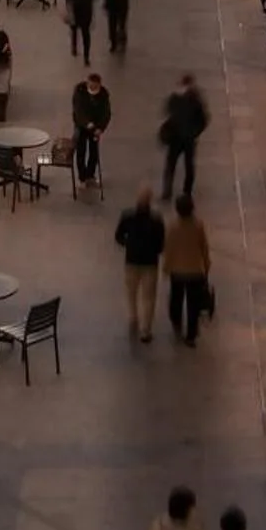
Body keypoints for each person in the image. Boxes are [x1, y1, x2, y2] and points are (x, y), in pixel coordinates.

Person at [114, 190, 167, 342]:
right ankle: (146, 329)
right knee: (149, 297)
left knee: (131, 292)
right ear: (150, 201)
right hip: (150, 263)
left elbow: (118, 236)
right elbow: (161, 243)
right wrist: (155, 251)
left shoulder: (127, 216)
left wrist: (128, 245)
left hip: (131, 261)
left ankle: (133, 317)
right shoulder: (156, 219)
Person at [165, 195, 212, 347]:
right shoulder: (198, 225)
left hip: (177, 270)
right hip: (194, 270)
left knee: (176, 297)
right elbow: (203, 247)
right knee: (193, 303)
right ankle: (191, 335)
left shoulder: (172, 226)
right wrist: (206, 264)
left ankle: (176, 320)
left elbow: (169, 248)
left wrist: (166, 267)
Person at [161, 74, 211, 200]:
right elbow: (168, 110)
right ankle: (170, 191)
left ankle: (185, 191)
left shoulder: (195, 101)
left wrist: (195, 132)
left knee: (186, 166)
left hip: (187, 138)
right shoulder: (178, 98)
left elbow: (203, 120)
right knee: (172, 165)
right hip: (178, 138)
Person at [72, 72, 112, 192]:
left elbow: (106, 113)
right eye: (91, 84)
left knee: (94, 152)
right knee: (81, 152)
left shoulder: (103, 94)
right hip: (82, 126)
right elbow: (78, 111)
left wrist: (100, 128)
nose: (93, 87)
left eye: (95, 85)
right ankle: (82, 178)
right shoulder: (80, 91)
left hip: (95, 128)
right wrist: (87, 123)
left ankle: (90, 175)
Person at [63, 0, 98, 65]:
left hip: (76, 8)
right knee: (85, 33)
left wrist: (69, 6)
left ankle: (74, 48)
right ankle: (86, 56)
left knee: (74, 29)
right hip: (86, 9)